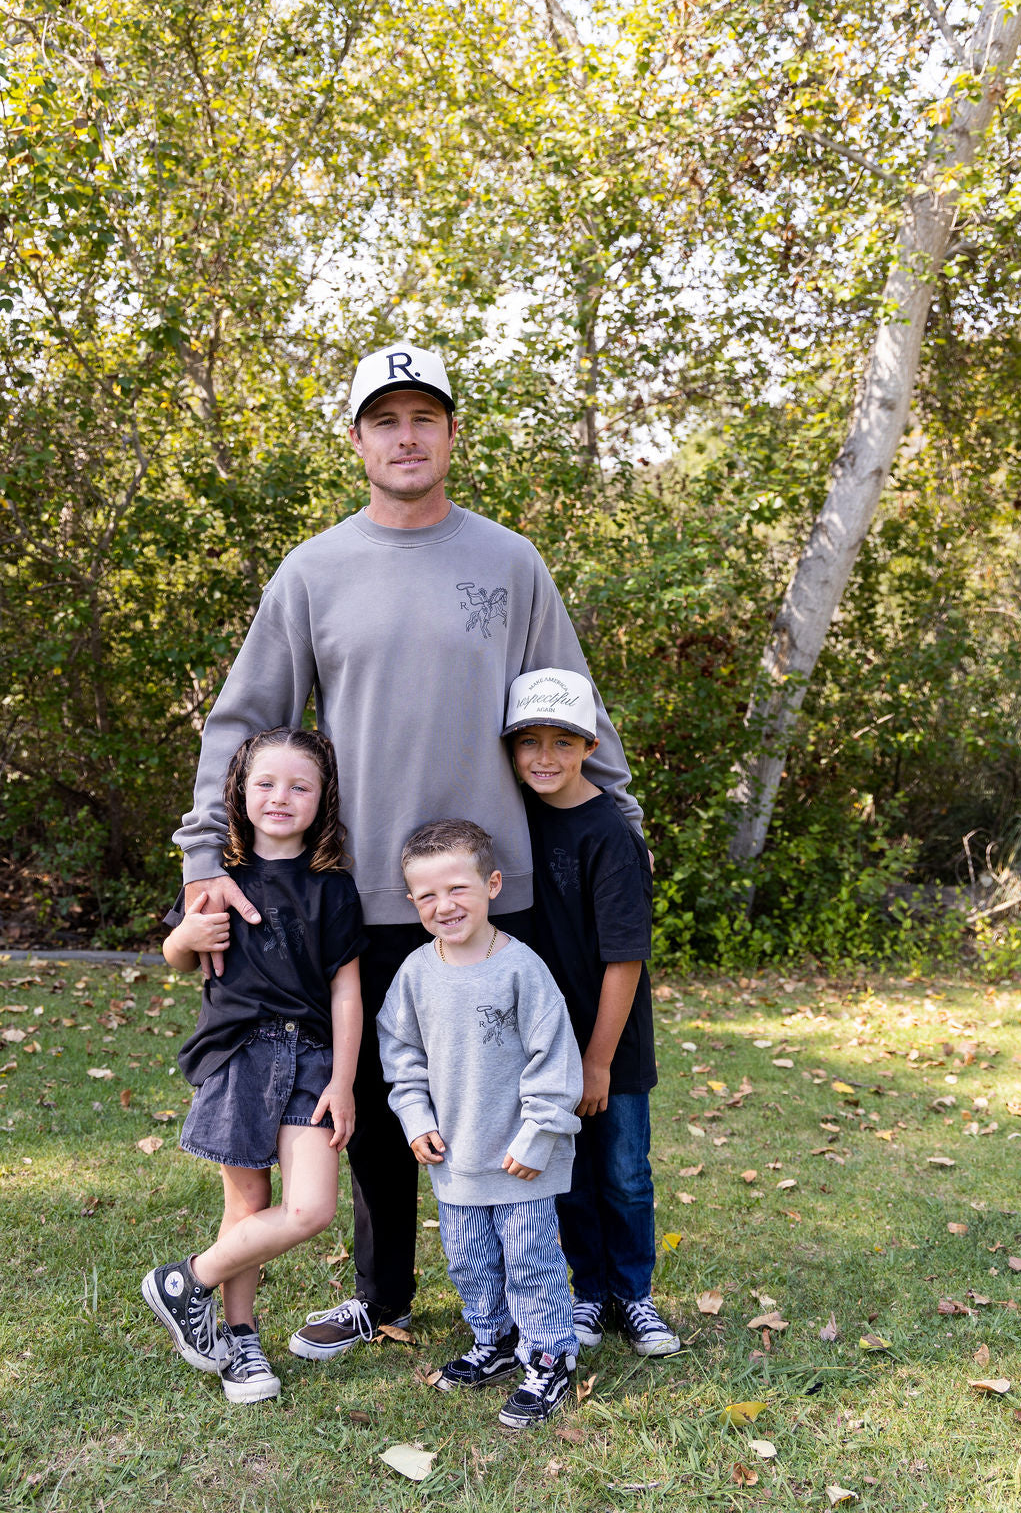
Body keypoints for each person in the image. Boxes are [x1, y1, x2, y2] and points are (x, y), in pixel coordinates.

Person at [173, 341, 645, 1357]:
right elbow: (244, 721)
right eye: (384, 420)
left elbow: (570, 705)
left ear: (451, 434)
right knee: (382, 1111)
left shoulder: (509, 561)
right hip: (362, 892)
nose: (405, 436)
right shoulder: (315, 570)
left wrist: (621, 826)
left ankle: (556, 1296)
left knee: (524, 1092)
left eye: (422, 417)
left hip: (494, 890)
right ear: (357, 440)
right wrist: (203, 860)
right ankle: (380, 1298)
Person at [142, 728, 365, 1403]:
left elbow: (347, 989)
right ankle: (240, 1339)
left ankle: (186, 1280)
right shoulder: (216, 880)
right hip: (240, 1052)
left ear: (322, 798)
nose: (280, 797)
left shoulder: (334, 888)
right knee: (248, 1203)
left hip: (312, 1060)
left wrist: (344, 1079)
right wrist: (185, 936)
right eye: (265, 782)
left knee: (311, 1209)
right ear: (239, 790)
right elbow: (176, 957)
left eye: (300, 785)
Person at [377, 819, 583, 1429]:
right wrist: (415, 1119)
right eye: (428, 895)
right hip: (455, 1155)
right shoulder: (415, 973)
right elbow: (401, 1055)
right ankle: (493, 1340)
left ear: (492, 884)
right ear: (412, 902)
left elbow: (555, 1057)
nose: (445, 906)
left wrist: (539, 1136)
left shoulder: (522, 968)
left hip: (521, 1154)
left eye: (458, 889)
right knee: (467, 1258)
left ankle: (549, 1358)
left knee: (529, 1257)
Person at [503, 669, 680, 1358]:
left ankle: (633, 1296)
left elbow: (625, 958)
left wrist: (598, 1060)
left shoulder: (609, 831)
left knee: (624, 1173)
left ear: (590, 745)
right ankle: (588, 1290)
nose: (544, 757)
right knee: (567, 1177)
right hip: (544, 1044)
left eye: (562, 741)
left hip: (611, 1043)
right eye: (530, 742)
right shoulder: (513, 820)